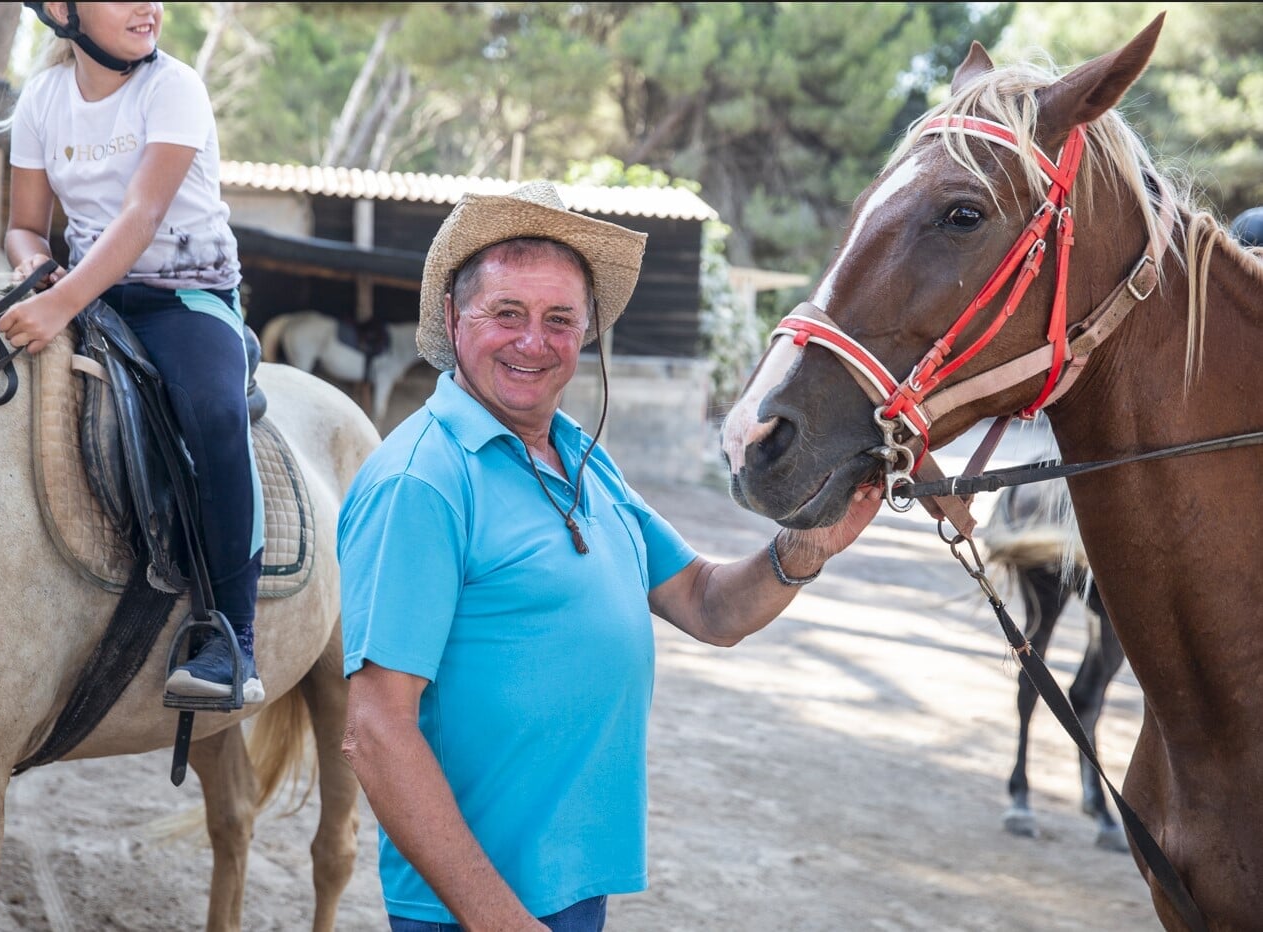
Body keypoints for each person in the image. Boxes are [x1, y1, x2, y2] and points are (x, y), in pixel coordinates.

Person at [336, 181, 882, 930]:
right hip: (471, 909)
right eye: (507, 314)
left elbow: (706, 604)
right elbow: (375, 731)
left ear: (588, 333)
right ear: (450, 319)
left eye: (559, 320)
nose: (534, 341)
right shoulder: (422, 481)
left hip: (571, 886)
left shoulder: (580, 456)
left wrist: (804, 547)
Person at [0, 2, 265, 704]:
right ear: (62, 10)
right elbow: (25, 226)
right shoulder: (43, 99)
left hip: (184, 298)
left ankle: (232, 639)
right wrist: (37, 272)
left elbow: (141, 218)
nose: (150, 6)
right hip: (92, 299)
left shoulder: (173, 87)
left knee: (210, 410)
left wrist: (59, 305)